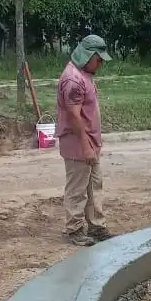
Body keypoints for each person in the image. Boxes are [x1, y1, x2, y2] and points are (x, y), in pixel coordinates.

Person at [56, 35, 114, 247]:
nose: (101, 64)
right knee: (77, 190)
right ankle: (74, 230)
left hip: (90, 143)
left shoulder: (84, 74)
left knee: (94, 187)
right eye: (99, 60)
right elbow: (74, 115)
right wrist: (86, 146)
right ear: (89, 56)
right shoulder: (72, 80)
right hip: (78, 144)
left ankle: (96, 226)